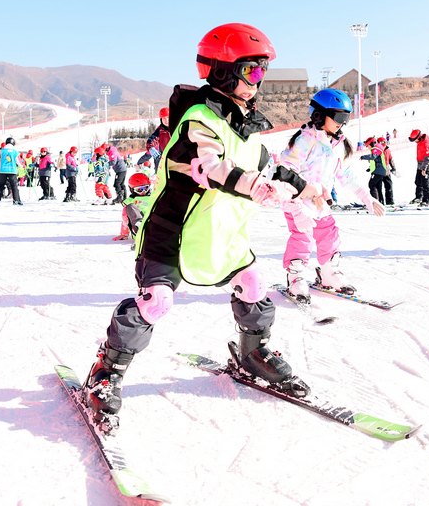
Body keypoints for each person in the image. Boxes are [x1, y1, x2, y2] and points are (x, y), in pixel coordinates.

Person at [82, 23, 321, 422]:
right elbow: (210, 167)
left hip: (219, 230)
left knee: (253, 283)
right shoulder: (200, 117)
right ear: (222, 71)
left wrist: (306, 188)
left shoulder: (247, 125)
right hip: (172, 228)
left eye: (262, 72)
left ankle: (252, 353)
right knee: (156, 301)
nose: (258, 81)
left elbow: (270, 166)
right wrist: (256, 187)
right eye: (252, 71)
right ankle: (106, 371)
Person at [279, 89, 386, 303]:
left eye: (346, 118)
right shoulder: (305, 140)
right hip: (298, 203)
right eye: (338, 117)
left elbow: (346, 175)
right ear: (319, 115)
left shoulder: (337, 144)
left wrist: (366, 197)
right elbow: (285, 173)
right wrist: (296, 208)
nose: (342, 123)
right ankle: (296, 277)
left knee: (329, 235)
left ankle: (329, 273)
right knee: (302, 239)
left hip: (321, 204)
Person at [113, 172, 155, 241]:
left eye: (145, 188)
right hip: (140, 231)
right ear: (132, 190)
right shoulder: (130, 201)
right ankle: (141, 227)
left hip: (156, 227)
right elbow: (125, 219)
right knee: (130, 207)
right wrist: (124, 234)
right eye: (139, 190)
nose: (143, 191)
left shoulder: (154, 197)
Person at [0, 138, 23, 206]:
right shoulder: (15, 152)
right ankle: (16, 200)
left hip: (2, 171)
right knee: (14, 186)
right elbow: (18, 162)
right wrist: (22, 166)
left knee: (0, 185)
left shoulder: (2, 151)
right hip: (12, 171)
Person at [360, 137, 388, 204]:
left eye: (368, 146)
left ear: (371, 144)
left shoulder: (376, 149)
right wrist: (370, 168)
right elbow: (377, 160)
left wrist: (363, 157)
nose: (368, 148)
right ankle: (381, 202)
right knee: (378, 186)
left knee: (372, 184)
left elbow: (373, 156)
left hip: (378, 171)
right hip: (380, 170)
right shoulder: (377, 148)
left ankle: (375, 201)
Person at [408, 129, 429, 206]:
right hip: (420, 164)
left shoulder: (425, 144)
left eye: (414, 140)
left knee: (425, 183)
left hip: (426, 166)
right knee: (418, 182)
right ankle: (419, 197)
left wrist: (424, 169)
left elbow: (428, 158)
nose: (414, 141)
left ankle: (427, 200)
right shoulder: (420, 142)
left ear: (418, 137)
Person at [376, 136, 397, 205]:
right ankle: (380, 201)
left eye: (384, 145)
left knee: (389, 186)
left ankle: (390, 201)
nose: (383, 147)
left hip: (386, 171)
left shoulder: (388, 150)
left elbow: (391, 159)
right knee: (378, 187)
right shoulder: (376, 150)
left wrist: (394, 168)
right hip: (379, 171)